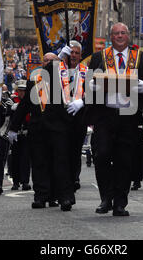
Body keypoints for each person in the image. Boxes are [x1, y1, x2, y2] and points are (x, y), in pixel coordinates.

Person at [85, 22, 143, 216]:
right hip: (105, 115)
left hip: (129, 115)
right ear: (111, 36)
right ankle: (105, 198)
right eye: (116, 33)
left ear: (128, 36)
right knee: (101, 156)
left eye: (123, 33)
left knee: (124, 160)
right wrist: (91, 86)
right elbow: (88, 85)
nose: (119, 36)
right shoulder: (100, 57)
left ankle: (120, 203)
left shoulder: (140, 57)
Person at [9, 53, 75, 211]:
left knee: (61, 164)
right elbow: (25, 104)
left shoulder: (64, 80)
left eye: (52, 61)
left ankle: (64, 197)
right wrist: (13, 127)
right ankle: (40, 196)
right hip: (38, 129)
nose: (48, 63)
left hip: (59, 129)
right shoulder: (34, 80)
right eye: (45, 60)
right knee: (39, 164)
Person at [58, 40, 88, 191]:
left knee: (76, 150)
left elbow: (93, 92)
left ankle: (74, 177)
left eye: (77, 53)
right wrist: (59, 58)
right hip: (61, 115)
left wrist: (82, 102)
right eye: (71, 53)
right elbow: (46, 79)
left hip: (79, 116)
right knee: (62, 150)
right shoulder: (59, 68)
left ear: (81, 55)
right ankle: (64, 178)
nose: (74, 55)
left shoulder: (86, 70)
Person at [9, 80, 31, 191]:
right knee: (15, 158)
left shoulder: (30, 101)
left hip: (26, 133)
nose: (22, 93)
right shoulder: (13, 101)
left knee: (25, 159)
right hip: (16, 133)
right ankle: (15, 181)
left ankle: (25, 181)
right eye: (20, 91)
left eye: (24, 91)